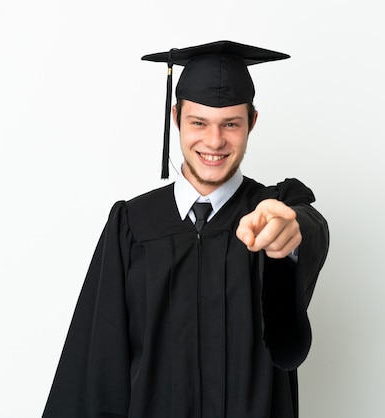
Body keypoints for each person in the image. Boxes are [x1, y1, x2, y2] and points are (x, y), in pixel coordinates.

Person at [43, 40, 329, 418]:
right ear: (176, 117)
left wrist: (289, 240)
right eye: (199, 122)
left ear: (252, 122)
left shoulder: (270, 212)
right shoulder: (132, 225)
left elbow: (307, 228)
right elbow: (97, 364)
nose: (214, 141)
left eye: (231, 123)